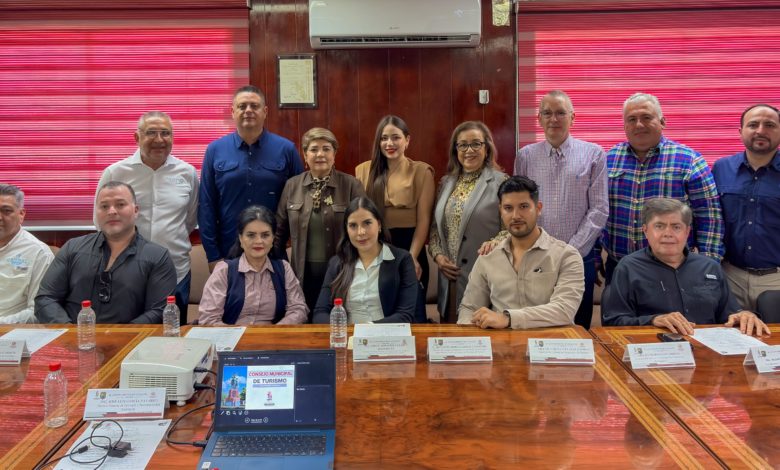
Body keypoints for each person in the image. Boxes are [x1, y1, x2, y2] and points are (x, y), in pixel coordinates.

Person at [602, 92, 723, 283]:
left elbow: (709, 216)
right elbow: (598, 211)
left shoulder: (690, 161)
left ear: (662, 122)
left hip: (674, 269)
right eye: (632, 119)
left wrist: (708, 266)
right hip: (619, 266)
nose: (639, 124)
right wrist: (594, 254)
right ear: (624, 126)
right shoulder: (609, 160)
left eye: (646, 117)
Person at [602, 198, 768, 336]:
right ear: (645, 230)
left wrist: (743, 315)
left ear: (687, 232)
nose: (668, 233)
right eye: (659, 226)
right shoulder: (628, 268)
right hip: (653, 350)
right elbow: (613, 322)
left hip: (708, 352)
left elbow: (730, 315)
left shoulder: (710, 267)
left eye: (676, 227)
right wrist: (653, 320)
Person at [514, 90, 608, 329]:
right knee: (535, 322)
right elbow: (519, 207)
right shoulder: (525, 156)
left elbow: (599, 209)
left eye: (560, 113)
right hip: (535, 255)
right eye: (547, 113)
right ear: (539, 118)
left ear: (572, 118)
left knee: (577, 327)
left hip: (578, 256)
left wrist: (570, 251)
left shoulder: (594, 154)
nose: (553, 119)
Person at [95, 111, 198, 324]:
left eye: (165, 133)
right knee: (128, 334)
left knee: (173, 333)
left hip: (176, 270)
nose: (159, 140)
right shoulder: (116, 173)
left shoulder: (187, 173)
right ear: (137, 137)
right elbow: (101, 222)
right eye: (151, 133)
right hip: (126, 272)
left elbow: (190, 218)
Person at [35, 182, 177, 323]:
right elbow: (46, 298)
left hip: (132, 336)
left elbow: (158, 311)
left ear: (136, 210)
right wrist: (72, 332)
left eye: (120, 204)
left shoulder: (157, 257)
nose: (111, 211)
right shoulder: (72, 248)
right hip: (73, 334)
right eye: (104, 206)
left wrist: (123, 334)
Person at [458, 176, 584, 329]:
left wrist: (508, 319)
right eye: (508, 208)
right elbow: (469, 308)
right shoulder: (488, 256)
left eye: (524, 206)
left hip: (551, 341)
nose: (516, 216)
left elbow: (564, 310)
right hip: (500, 341)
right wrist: (472, 337)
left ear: (538, 208)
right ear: (500, 210)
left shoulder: (567, 256)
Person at [199, 85, 303, 270]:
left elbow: (300, 201)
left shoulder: (286, 149)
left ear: (265, 112)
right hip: (228, 252)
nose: (248, 110)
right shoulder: (215, 150)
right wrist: (212, 255)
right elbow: (206, 205)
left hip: (273, 251)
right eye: (242, 106)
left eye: (254, 106)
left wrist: (288, 244)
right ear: (233, 112)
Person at [275, 128, 365, 312]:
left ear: (334, 154)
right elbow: (278, 234)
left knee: (338, 319)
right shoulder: (292, 186)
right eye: (314, 149)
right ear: (305, 155)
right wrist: (279, 270)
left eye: (326, 149)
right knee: (305, 320)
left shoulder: (351, 185)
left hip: (342, 273)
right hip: (302, 275)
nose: (320, 154)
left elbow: (364, 231)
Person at [429, 121, 508, 322]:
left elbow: (510, 230)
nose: (469, 150)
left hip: (483, 278)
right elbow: (436, 229)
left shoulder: (501, 182)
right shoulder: (446, 183)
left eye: (476, 144)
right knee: (448, 338)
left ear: (486, 147)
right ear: (455, 150)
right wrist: (438, 256)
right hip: (449, 280)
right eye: (463, 145)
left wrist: (493, 244)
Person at [355, 115, 434, 300]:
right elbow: (359, 219)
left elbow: (424, 220)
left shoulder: (422, 171)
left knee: (411, 309)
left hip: (410, 247)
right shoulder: (364, 170)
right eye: (384, 138)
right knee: (378, 309)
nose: (389, 143)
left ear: (407, 140)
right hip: (375, 249)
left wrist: (412, 257)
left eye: (396, 137)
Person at [712, 104, 780, 312]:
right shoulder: (721, 168)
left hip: (776, 279)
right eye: (753, 124)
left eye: (769, 125)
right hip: (730, 277)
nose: (761, 130)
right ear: (741, 131)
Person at [312, 197, 420, 324]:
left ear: (379, 225)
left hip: (387, 335)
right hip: (347, 334)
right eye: (353, 225)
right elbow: (320, 313)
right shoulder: (337, 263)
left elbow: (405, 315)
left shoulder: (402, 260)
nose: (361, 232)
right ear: (346, 229)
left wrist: (365, 330)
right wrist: (343, 330)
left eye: (367, 223)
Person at [198, 205, 307, 325]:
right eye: (251, 235)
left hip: (273, 335)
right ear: (240, 238)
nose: (258, 241)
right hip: (231, 335)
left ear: (273, 239)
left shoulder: (284, 269)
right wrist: (236, 334)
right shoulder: (224, 271)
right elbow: (209, 319)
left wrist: (275, 331)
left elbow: (298, 309)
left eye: (265, 235)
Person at [0, 184, 54, 323]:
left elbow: (38, 311)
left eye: (6, 211)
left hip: (12, 332)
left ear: (21, 214)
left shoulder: (39, 253)